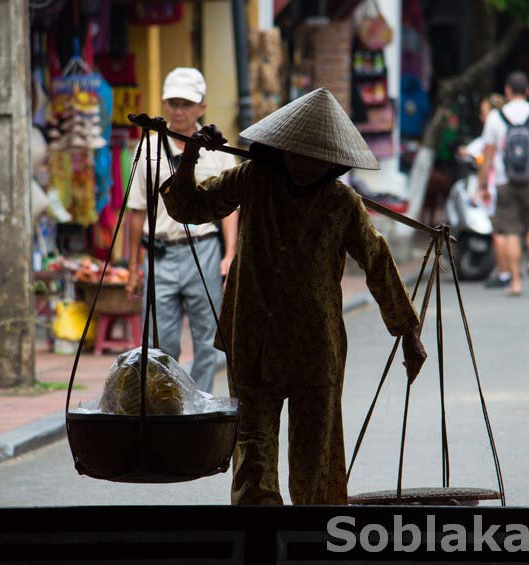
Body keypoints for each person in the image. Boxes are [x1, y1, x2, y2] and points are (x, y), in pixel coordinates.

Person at [161, 87, 428, 505]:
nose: (305, 165)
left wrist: (407, 332)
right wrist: (191, 155)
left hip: (314, 349)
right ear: (281, 149)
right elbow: (188, 208)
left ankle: (314, 543)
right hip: (252, 339)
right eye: (298, 154)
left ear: (331, 161)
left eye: (315, 158)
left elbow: (377, 261)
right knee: (252, 454)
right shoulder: (254, 179)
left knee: (315, 461)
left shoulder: (341, 202)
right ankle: (259, 545)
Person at [125, 68, 238, 394]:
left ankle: (199, 403)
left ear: (201, 107)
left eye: (186, 104)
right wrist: (132, 267)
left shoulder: (217, 150)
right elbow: (136, 211)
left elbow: (230, 208)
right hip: (158, 253)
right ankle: (168, 402)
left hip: (203, 250)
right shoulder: (147, 148)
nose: (178, 110)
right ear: (164, 103)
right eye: (173, 102)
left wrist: (229, 255)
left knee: (207, 338)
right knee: (161, 340)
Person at [477, 71, 529, 296]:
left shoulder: (496, 117)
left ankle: (515, 281)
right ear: (528, 91)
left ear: (507, 91)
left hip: (505, 182)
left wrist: (483, 185)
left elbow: (487, 156)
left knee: (510, 230)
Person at [458, 93, 510, 288]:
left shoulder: (492, 129)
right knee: (511, 230)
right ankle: (513, 270)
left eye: (483, 112)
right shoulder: (509, 128)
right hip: (510, 185)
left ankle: (505, 273)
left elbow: (481, 159)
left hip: (494, 187)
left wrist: (481, 188)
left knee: (499, 232)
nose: (481, 117)